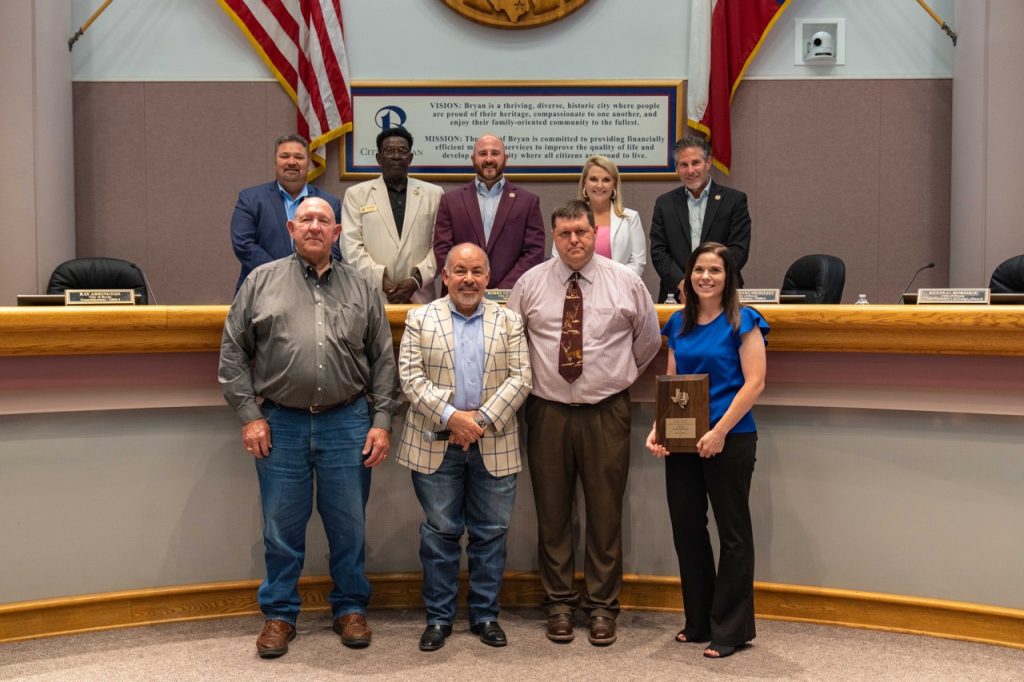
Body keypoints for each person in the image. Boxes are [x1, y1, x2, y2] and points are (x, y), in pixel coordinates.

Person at [219, 197, 399, 659]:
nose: (315, 226)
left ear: (336, 232)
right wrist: (250, 416)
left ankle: (350, 608)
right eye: (306, 220)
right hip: (281, 423)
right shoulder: (260, 281)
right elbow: (233, 353)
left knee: (349, 526)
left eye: (323, 220)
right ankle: (279, 614)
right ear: (291, 228)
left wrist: (381, 422)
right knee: (281, 527)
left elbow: (383, 360)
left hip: (348, 421)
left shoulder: (361, 286)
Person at [508, 200, 661, 647]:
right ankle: (558, 603)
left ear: (595, 232)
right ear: (553, 237)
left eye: (581, 231)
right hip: (547, 411)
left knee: (605, 512)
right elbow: (512, 342)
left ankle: (601, 607)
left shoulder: (626, 282)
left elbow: (648, 342)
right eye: (564, 233)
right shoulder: (530, 284)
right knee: (552, 512)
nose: (573, 240)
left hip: (606, 411)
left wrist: (613, 377)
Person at [396, 242, 531, 652]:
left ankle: (485, 615)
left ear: (488, 277)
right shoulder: (420, 318)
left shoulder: (509, 320)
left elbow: (521, 378)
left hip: (495, 441)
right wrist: (453, 417)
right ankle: (439, 617)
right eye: (460, 271)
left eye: (476, 272)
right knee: (440, 533)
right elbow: (410, 379)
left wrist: (478, 422)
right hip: (436, 441)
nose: (468, 279)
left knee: (491, 533)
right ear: (445, 275)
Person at [644, 241, 768, 660]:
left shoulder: (743, 320)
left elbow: (755, 383)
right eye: (699, 270)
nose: (706, 277)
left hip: (730, 438)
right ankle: (698, 621)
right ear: (688, 276)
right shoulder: (678, 323)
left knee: (733, 534)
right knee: (687, 530)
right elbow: (673, 382)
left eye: (715, 270)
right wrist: (658, 428)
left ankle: (731, 630)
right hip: (684, 441)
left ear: (728, 277)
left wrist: (719, 431)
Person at [341, 128, 443, 303]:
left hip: (419, 295)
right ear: (379, 158)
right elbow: (351, 247)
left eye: (402, 151)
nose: (396, 156)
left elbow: (440, 246)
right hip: (372, 295)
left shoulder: (434, 194)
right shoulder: (356, 194)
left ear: (410, 158)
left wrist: (416, 280)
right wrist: (381, 279)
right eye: (389, 151)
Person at [230, 134, 342, 293]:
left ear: (308, 163)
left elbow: (335, 248)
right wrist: (283, 274)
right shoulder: (250, 199)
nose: (291, 162)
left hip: (315, 290)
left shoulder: (329, 203)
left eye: (299, 157)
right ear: (275, 162)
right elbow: (243, 244)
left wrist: (307, 276)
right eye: (284, 156)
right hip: (262, 289)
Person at [433, 134, 545, 290]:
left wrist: (502, 290)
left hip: (511, 294)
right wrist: (468, 282)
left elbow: (534, 252)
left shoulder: (527, 202)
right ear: (473, 159)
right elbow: (442, 250)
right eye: (482, 153)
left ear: (505, 158)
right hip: (461, 292)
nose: (489, 159)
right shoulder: (450, 201)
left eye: (495, 153)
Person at [650, 136, 751, 302]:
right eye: (684, 165)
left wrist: (708, 281)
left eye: (695, 163)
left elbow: (739, 249)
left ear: (708, 163)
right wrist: (682, 283)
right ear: (677, 167)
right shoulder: (664, 203)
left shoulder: (734, 200)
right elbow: (659, 251)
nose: (690, 171)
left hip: (723, 293)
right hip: (678, 294)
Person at [551, 155, 646, 277]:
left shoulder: (631, 218)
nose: (600, 186)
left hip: (619, 285)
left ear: (614, 185)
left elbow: (638, 263)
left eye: (606, 180)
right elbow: (557, 257)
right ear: (584, 183)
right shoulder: (568, 218)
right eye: (593, 179)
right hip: (576, 285)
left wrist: (612, 282)